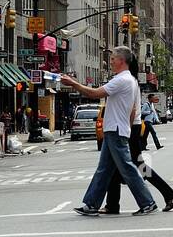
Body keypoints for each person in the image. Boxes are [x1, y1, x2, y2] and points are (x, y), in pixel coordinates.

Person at [64, 47, 158, 216]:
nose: (111, 61)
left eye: (113, 58)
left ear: (122, 60)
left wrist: (74, 84)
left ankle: (148, 202)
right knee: (104, 169)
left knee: (127, 168)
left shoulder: (121, 80)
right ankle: (91, 204)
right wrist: (127, 128)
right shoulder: (129, 80)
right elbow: (131, 110)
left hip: (115, 129)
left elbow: (95, 93)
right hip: (115, 129)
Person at [101, 102, 173, 214]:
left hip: (129, 128)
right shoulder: (130, 85)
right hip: (131, 127)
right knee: (117, 167)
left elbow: (131, 108)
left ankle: (114, 205)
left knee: (136, 166)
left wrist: (126, 130)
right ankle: (112, 204)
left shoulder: (127, 84)